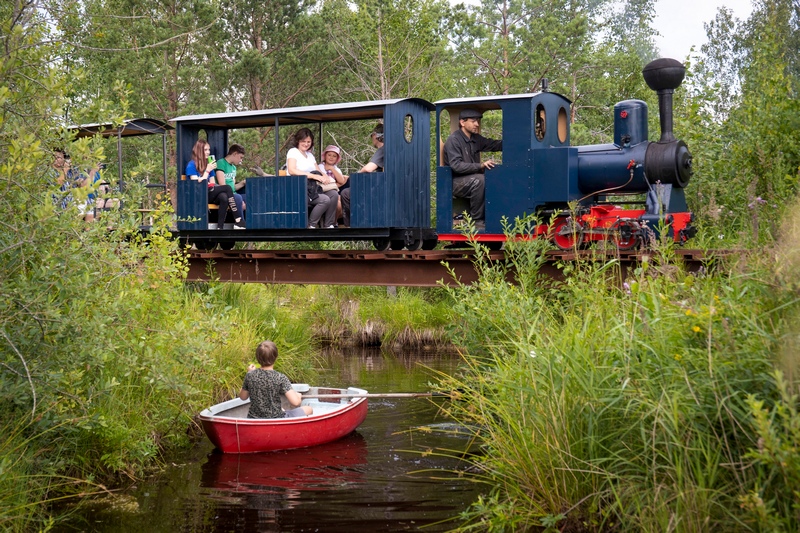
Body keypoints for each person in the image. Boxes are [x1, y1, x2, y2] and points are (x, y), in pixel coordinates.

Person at [442, 109, 502, 230]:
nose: (477, 124)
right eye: (473, 121)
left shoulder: (475, 139)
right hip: (454, 182)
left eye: (477, 121)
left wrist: (514, 143)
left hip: (469, 179)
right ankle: (477, 221)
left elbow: (493, 144)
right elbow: (456, 166)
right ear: (462, 122)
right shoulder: (454, 140)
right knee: (479, 180)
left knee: (493, 176)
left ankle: (493, 217)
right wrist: (480, 166)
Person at [239, 340, 313, 419]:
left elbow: (243, 397)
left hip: (254, 419)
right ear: (275, 357)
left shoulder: (250, 375)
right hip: (276, 418)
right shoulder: (280, 377)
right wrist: (298, 396)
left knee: (281, 409)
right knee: (309, 409)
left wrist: (250, 373)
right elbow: (295, 402)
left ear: (257, 358)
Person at [185, 139, 245, 229]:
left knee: (224, 197)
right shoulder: (191, 165)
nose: (208, 152)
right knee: (227, 188)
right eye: (205, 150)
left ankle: (220, 227)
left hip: (209, 192)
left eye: (209, 150)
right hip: (198, 195)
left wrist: (208, 172)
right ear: (198, 150)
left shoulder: (208, 165)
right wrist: (207, 170)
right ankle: (238, 220)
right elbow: (196, 185)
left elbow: (212, 183)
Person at [286, 128, 338, 229]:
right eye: (303, 141)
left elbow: (318, 170)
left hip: (313, 188)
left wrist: (325, 176)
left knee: (333, 194)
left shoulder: (310, 155)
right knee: (325, 199)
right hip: (299, 188)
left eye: (308, 142)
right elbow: (292, 170)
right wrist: (313, 176)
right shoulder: (293, 152)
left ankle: (328, 224)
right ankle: (311, 225)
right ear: (298, 141)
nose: (306, 144)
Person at [340, 124, 384, 227]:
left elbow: (368, 168)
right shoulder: (391, 149)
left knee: (346, 193)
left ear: (376, 136)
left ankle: (350, 224)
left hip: (379, 188)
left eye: (372, 135)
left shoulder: (382, 150)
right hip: (382, 186)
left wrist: (357, 175)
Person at [319, 145, 349, 221]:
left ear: (337, 159)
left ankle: (334, 221)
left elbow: (341, 180)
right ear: (325, 156)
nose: (331, 157)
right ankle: (331, 223)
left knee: (343, 202)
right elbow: (325, 183)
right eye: (329, 155)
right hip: (323, 191)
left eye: (334, 156)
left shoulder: (336, 169)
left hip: (334, 192)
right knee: (338, 204)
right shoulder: (320, 167)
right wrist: (338, 184)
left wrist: (332, 169)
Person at [215, 143, 246, 215]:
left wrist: (243, 183)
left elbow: (233, 187)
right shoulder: (221, 163)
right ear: (235, 154)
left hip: (233, 193)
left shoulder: (233, 168)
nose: (241, 160)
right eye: (240, 157)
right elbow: (223, 186)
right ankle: (240, 222)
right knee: (238, 198)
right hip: (224, 195)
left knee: (250, 197)